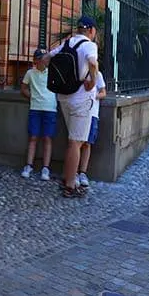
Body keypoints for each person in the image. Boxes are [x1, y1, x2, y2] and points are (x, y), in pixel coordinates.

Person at [45, 16, 100, 199]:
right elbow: (93, 63)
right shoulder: (89, 46)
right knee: (76, 143)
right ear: (91, 30)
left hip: (63, 97)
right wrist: (92, 81)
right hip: (81, 99)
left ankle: (68, 178)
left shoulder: (67, 43)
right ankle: (70, 185)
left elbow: (46, 59)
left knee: (73, 141)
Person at [20, 49, 57, 180]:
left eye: (46, 58)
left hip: (50, 108)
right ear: (37, 60)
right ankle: (29, 165)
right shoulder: (30, 73)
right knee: (33, 137)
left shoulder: (52, 72)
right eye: (43, 58)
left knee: (48, 138)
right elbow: (23, 88)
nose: (46, 60)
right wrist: (32, 97)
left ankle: (45, 168)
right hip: (35, 107)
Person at [75, 70, 108, 188]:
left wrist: (94, 96)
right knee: (76, 142)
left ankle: (82, 172)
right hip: (78, 111)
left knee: (87, 143)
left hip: (92, 112)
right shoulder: (78, 72)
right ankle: (74, 171)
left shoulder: (97, 74)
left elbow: (103, 92)